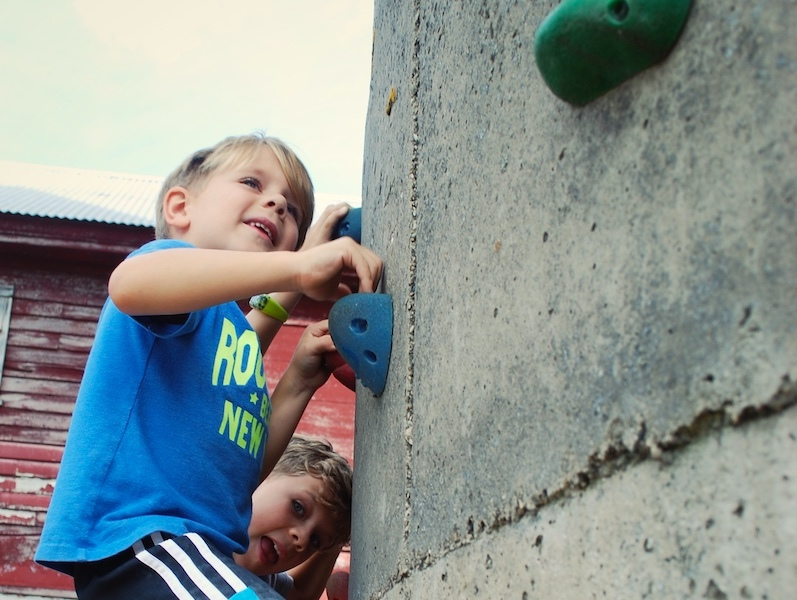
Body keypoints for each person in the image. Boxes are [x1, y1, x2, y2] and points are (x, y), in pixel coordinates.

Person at [35, 132, 382, 599]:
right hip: (142, 539)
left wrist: (300, 375)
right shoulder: (168, 264)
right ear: (180, 209)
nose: (279, 202)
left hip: (191, 551)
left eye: (294, 210)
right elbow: (130, 285)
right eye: (252, 182)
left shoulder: (227, 331)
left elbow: (239, 466)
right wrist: (297, 270)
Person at [235, 435, 351, 600]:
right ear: (262, 473)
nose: (302, 539)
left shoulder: (262, 582)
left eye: (315, 540)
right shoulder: (193, 534)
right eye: (298, 507)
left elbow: (302, 593)